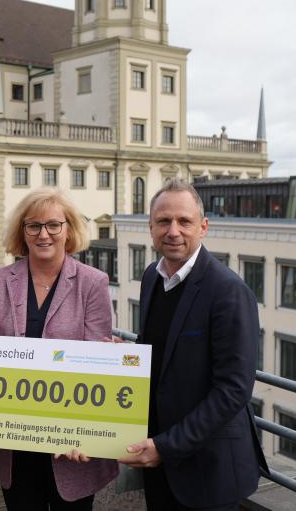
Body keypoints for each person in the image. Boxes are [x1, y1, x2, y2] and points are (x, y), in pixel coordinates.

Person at [119, 178, 268, 511]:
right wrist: (122, 360)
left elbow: (233, 389)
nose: (173, 231)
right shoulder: (151, 278)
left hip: (209, 471)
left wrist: (166, 446)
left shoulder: (228, 290)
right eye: (163, 221)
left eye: (184, 221)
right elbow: (158, 353)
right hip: (160, 462)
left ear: (203, 227)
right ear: (151, 228)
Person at [0, 188, 119, 510]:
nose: (44, 234)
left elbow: (95, 365)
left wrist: (84, 434)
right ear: (22, 232)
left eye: (54, 225)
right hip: (12, 441)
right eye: (34, 226)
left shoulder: (92, 283)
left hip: (70, 447)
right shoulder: (0, 282)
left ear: (68, 229)